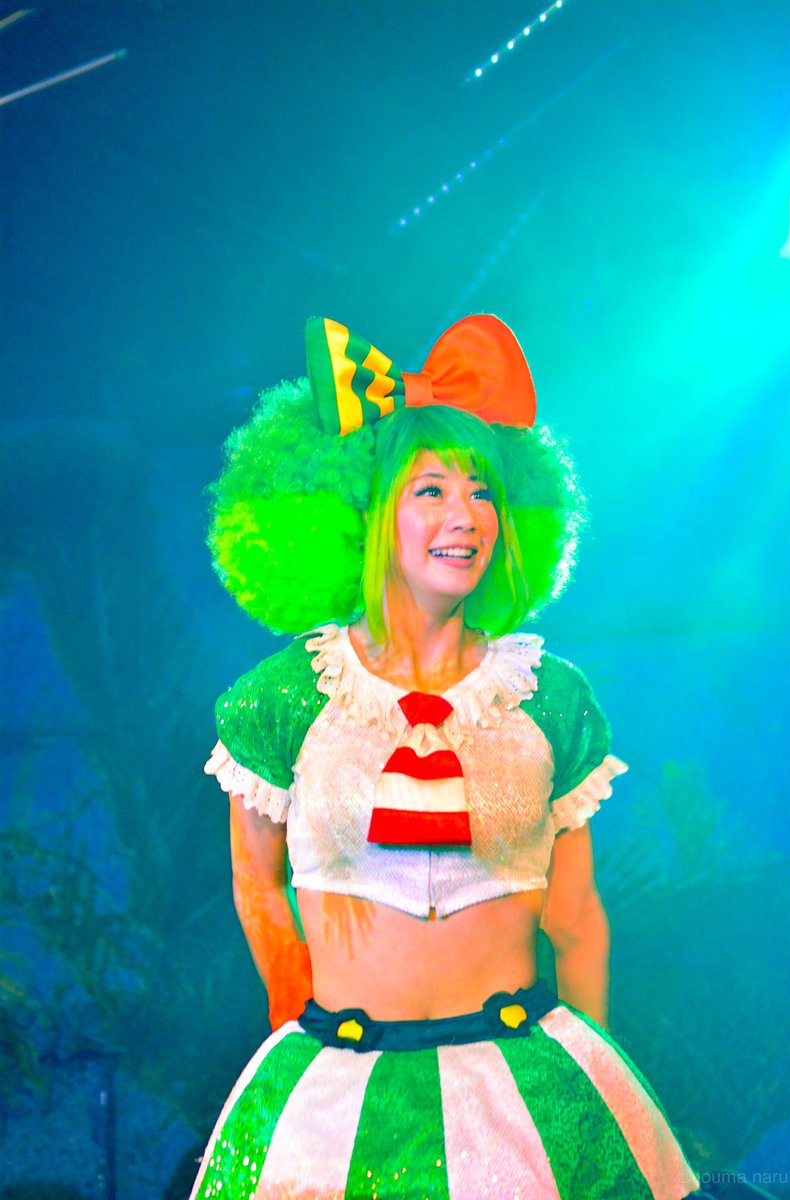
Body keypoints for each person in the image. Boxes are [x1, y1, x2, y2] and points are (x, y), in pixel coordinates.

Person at [191, 314, 702, 1199]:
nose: (465, 516)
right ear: (365, 512)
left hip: (521, 1092)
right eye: (430, 489)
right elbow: (256, 886)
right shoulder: (283, 699)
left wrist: (592, 1096)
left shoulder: (548, 697)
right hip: (333, 1097)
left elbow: (577, 918)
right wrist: (300, 1025)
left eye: (483, 491)